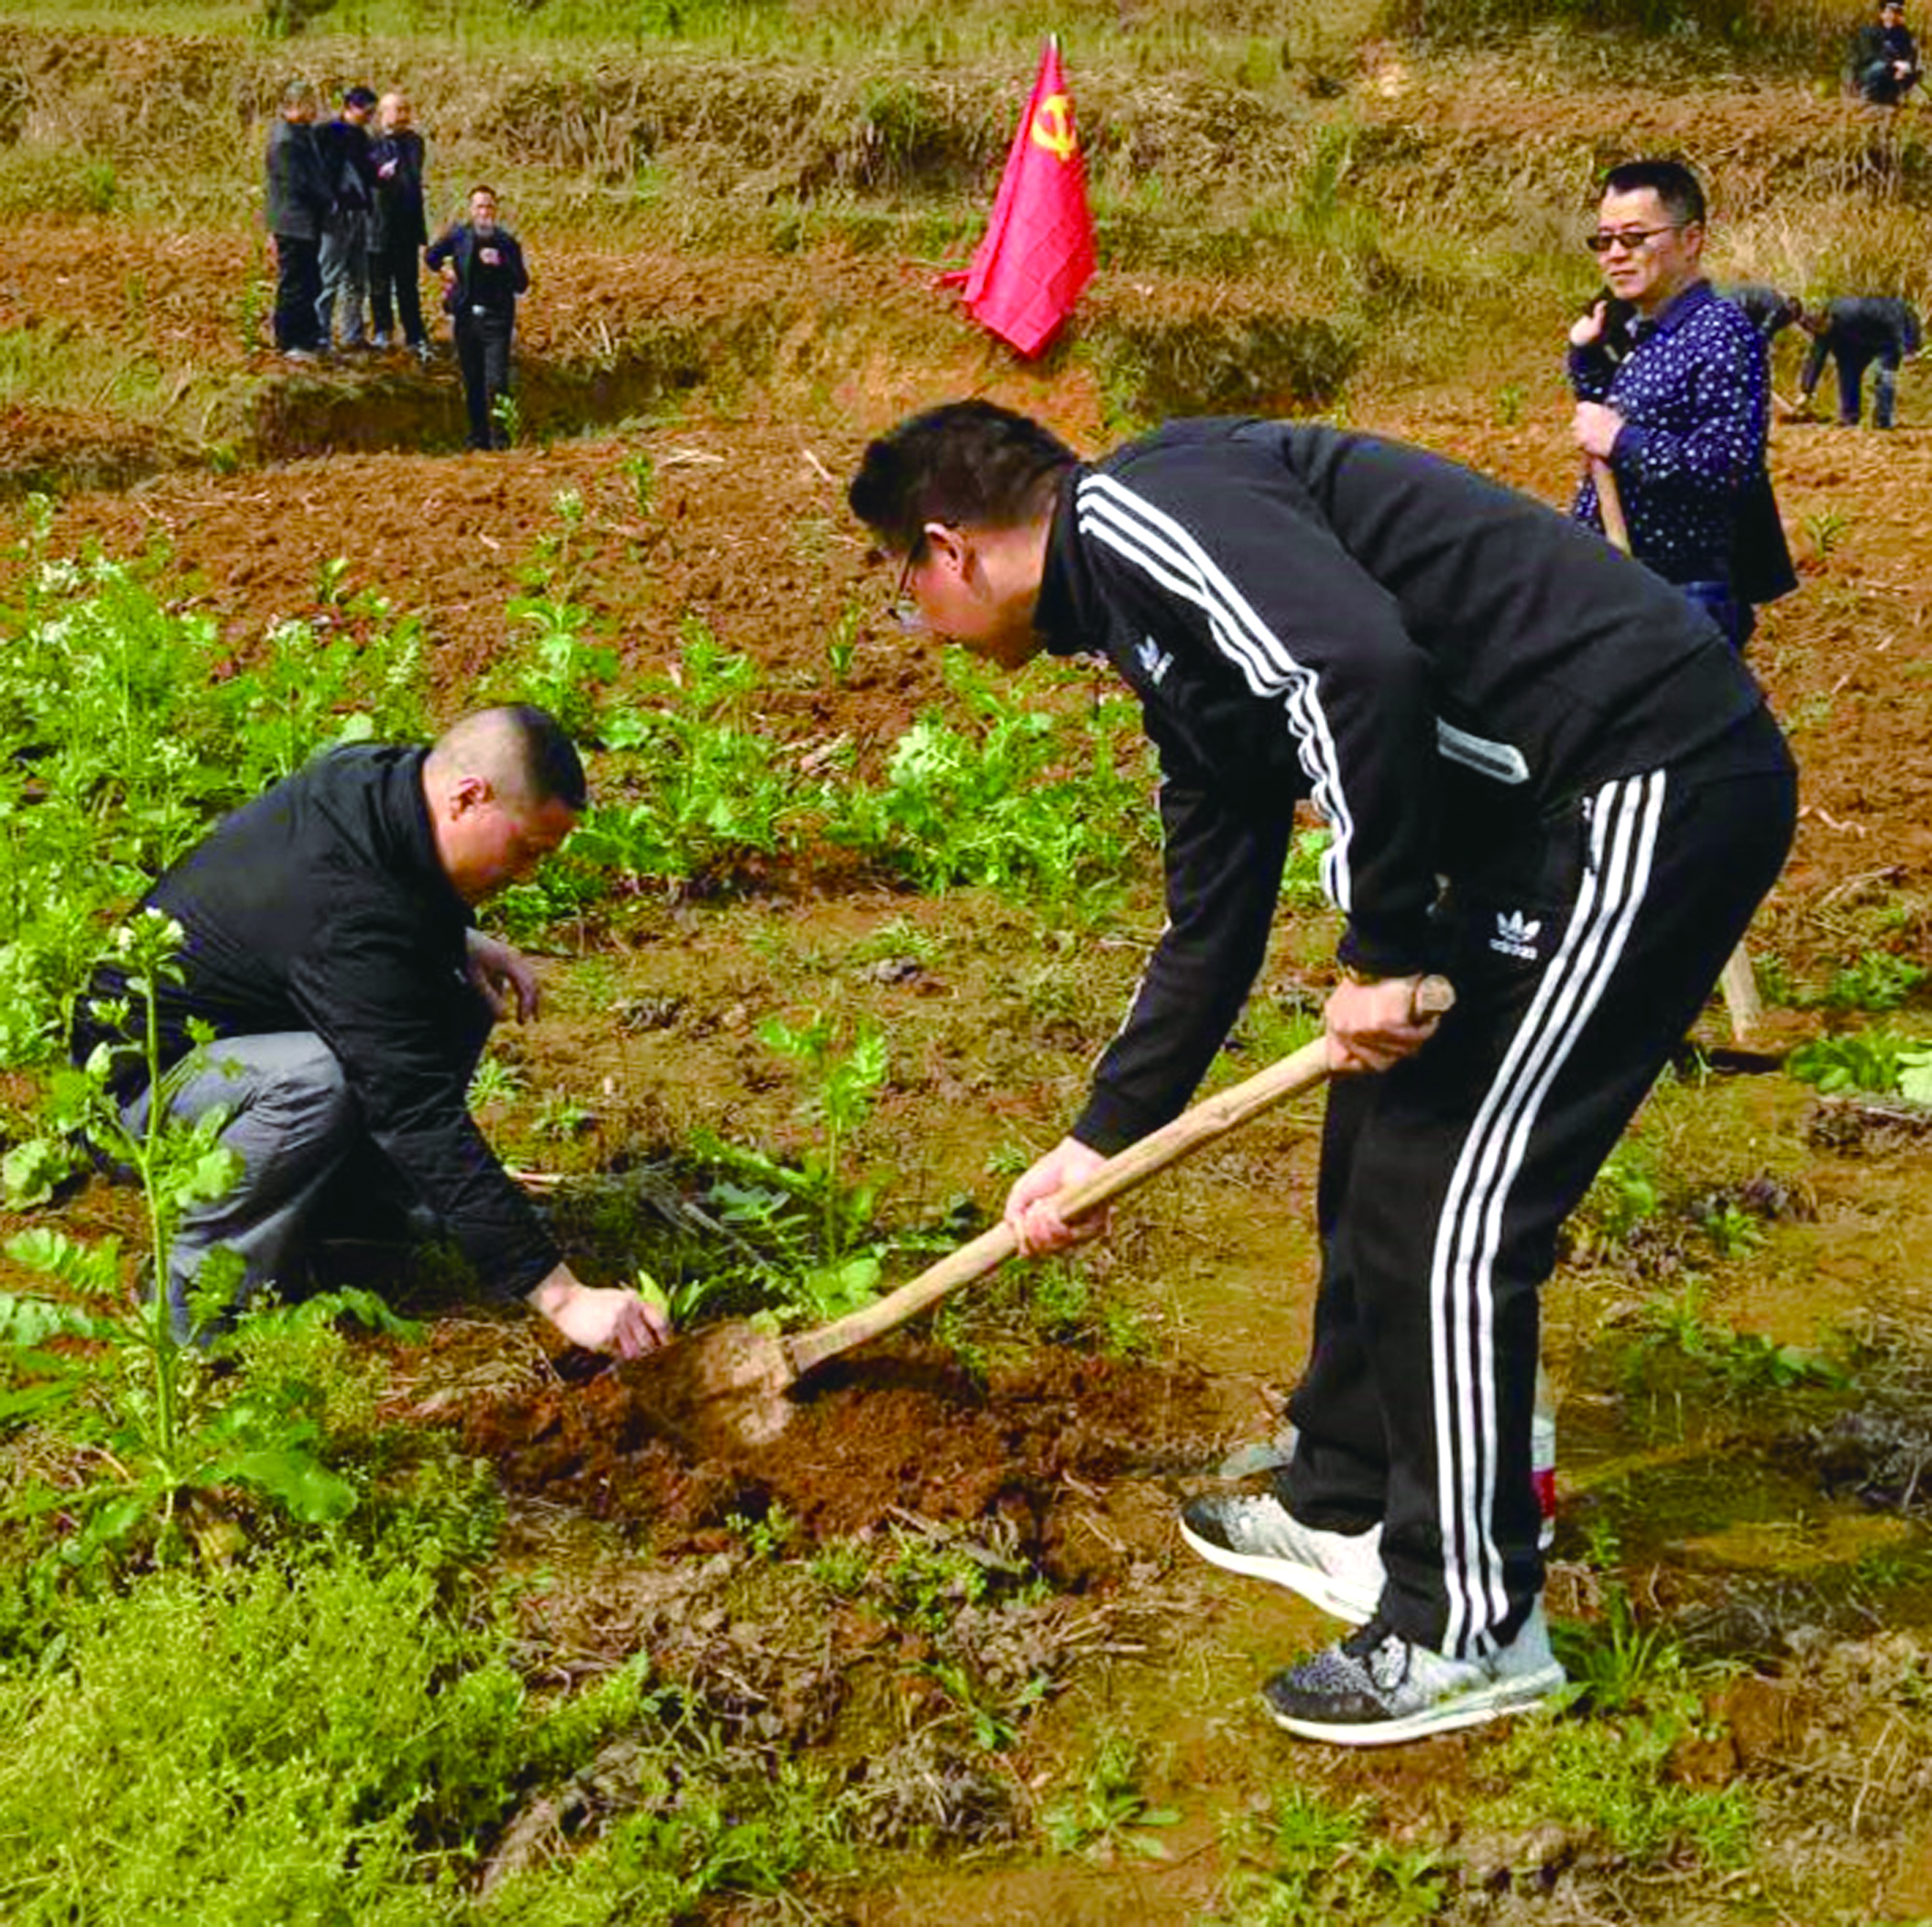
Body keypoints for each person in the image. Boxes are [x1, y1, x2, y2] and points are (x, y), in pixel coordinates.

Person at [847, 401, 1796, 1746]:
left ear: (945, 548)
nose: (920, 626)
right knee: (1377, 1145)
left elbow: (1350, 669)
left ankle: (1469, 1628)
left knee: (1457, 1211)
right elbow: (1214, 896)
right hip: (1538, 821)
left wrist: (1385, 942)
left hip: (1642, 780)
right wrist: (1102, 1134)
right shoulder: (1143, 619)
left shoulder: (1134, 510)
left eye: (903, 597)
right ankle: (1342, 1498)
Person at [71, 706, 666, 1363]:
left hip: (247, 1034)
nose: (526, 873)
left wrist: (456, 936)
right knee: (316, 1080)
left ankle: (354, 1228)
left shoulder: (390, 784)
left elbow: (373, 898)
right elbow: (412, 1108)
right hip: (143, 1093)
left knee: (448, 990)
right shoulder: (341, 910)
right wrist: (562, 1298)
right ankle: (192, 1313)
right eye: (525, 849)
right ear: (469, 797)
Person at [1568, 159, 1793, 652]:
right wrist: (1586, 354)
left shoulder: (1720, 333)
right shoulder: (1644, 333)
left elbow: (1730, 465)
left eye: (1634, 238)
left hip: (1682, 597)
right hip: (1629, 585)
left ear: (1691, 240)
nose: (1615, 255)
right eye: (1604, 241)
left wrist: (1621, 440)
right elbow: (1606, 418)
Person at [425, 185, 529, 451]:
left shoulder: (506, 243)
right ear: (471, 210)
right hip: (466, 319)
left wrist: (502, 264)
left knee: (496, 381)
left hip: (496, 320)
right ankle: (477, 438)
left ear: (495, 210)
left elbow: (521, 284)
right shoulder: (460, 236)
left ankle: (501, 439)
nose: (484, 212)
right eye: (479, 207)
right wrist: (446, 272)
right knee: (472, 380)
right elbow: (431, 257)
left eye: (488, 207)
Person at [263, 81, 333, 364]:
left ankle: (308, 337)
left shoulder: (305, 135)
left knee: (311, 279)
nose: (312, 109)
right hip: (294, 222)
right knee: (294, 282)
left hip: (308, 221)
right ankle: (289, 340)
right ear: (290, 107)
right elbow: (299, 183)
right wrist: (331, 198)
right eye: (306, 104)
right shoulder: (285, 141)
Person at [369, 90, 431, 360]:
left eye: (407, 109)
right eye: (398, 110)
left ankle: (415, 335)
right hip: (378, 223)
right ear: (384, 114)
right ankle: (383, 331)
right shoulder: (369, 142)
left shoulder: (414, 142)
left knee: (408, 284)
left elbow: (411, 176)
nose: (405, 115)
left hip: (406, 224)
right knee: (379, 284)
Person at [315, 85, 378, 352]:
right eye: (367, 111)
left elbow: (367, 173)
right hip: (335, 214)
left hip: (360, 212)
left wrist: (379, 176)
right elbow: (317, 171)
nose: (370, 117)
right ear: (350, 107)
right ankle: (320, 335)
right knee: (328, 276)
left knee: (357, 278)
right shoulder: (326, 133)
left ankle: (353, 335)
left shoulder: (362, 137)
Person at [1796, 295, 1923, 426]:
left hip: (1886, 338)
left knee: (1883, 374)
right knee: (1847, 369)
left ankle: (1883, 421)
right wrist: (1806, 391)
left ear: (1827, 318)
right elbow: (1817, 358)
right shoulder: (1823, 332)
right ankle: (1850, 417)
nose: (1821, 335)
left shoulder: (1853, 310)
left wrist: (1910, 344)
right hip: (1856, 344)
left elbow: (1899, 314)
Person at [1854, 0, 1921, 102]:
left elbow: (1910, 54)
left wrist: (1905, 67)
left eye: (1896, 12)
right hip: (1873, 72)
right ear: (1882, 14)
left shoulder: (1903, 34)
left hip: (1898, 72)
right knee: (1880, 68)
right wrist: (1893, 65)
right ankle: (1869, 94)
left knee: (1916, 71)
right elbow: (1870, 55)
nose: (1893, 16)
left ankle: (1896, 95)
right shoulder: (1869, 33)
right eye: (1890, 12)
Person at [1719, 283, 1803, 342]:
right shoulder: (1779, 309)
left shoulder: (1776, 298)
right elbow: (1764, 332)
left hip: (1732, 299)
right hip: (1738, 307)